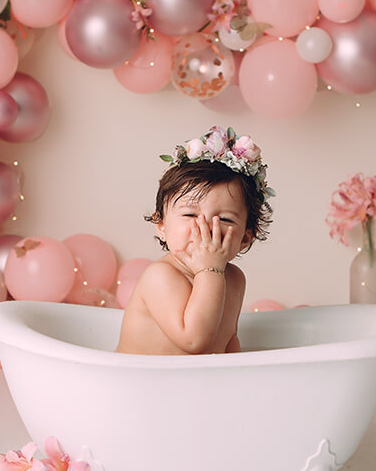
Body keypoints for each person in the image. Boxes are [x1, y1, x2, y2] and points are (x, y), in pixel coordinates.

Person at [116, 126, 273, 355]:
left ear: (246, 237)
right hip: (138, 384)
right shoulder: (160, 276)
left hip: (194, 386)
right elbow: (194, 341)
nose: (205, 228)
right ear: (160, 225)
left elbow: (228, 342)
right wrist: (209, 270)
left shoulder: (235, 279)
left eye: (225, 219)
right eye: (190, 215)